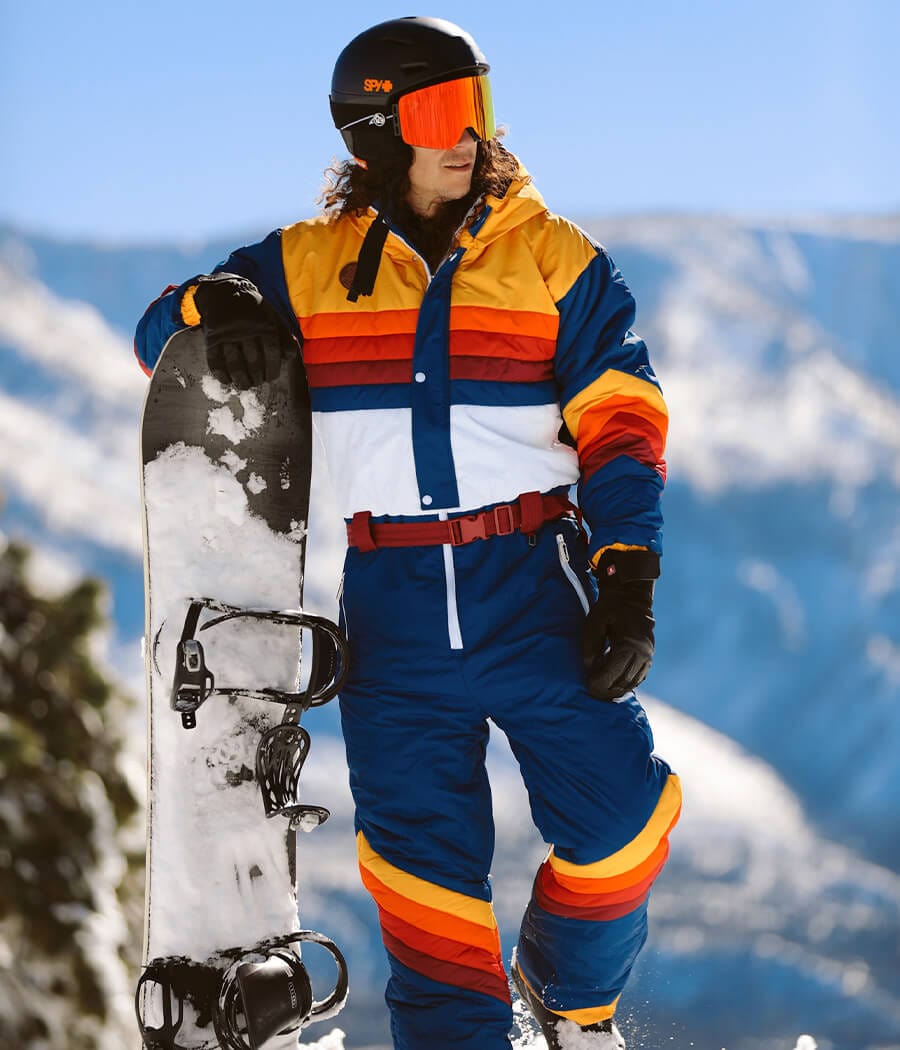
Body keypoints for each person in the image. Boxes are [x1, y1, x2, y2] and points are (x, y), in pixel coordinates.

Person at [134, 17, 681, 1050]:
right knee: (425, 881)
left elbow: (622, 418)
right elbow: (157, 331)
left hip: (533, 583)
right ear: (376, 133)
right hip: (391, 607)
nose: (467, 133)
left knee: (623, 820)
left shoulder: (554, 257)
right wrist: (221, 309)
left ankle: (570, 999)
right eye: (439, 112)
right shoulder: (306, 265)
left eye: (477, 104)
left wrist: (628, 573)